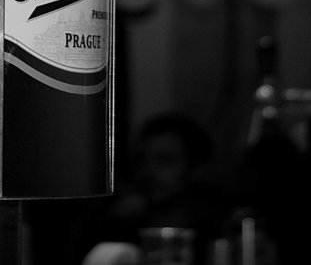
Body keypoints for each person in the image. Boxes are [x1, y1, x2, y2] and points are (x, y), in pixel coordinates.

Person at [78, 112, 230, 265]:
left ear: (196, 168)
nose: (147, 171)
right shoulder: (117, 224)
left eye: (165, 160)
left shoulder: (220, 230)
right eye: (141, 159)